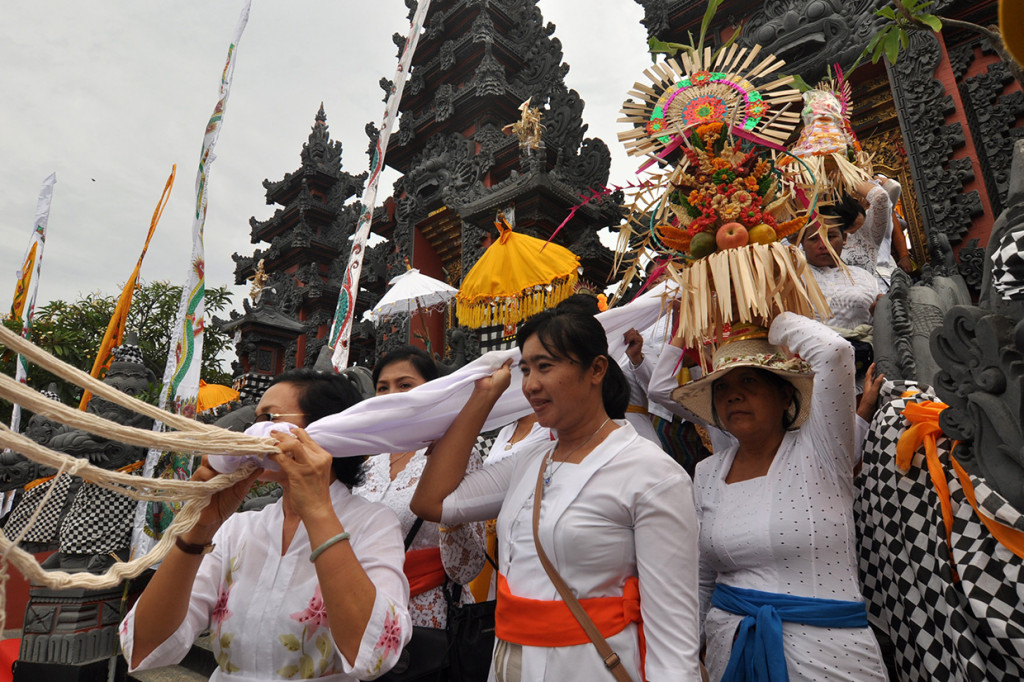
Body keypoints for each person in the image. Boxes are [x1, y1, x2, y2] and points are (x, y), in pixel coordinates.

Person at [409, 310, 701, 681]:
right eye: (526, 370)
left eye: (544, 367)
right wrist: (483, 397)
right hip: (510, 661)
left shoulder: (652, 474)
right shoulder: (529, 460)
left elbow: (673, 633)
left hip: (591, 665)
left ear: (596, 370)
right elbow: (432, 503)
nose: (530, 385)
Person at [120, 369, 412, 681]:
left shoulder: (373, 524)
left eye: (269, 418)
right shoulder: (239, 528)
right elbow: (145, 647)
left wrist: (317, 510)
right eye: (255, 421)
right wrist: (198, 530)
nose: (253, 432)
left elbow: (376, 656)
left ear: (325, 430)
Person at [670, 312, 888, 681]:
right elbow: (702, 578)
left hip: (832, 659)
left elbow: (834, 352)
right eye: (721, 387)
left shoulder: (821, 451)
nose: (732, 394)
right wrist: (688, 658)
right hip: (732, 654)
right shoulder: (707, 473)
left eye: (749, 380)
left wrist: (772, 319)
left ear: (785, 392)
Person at [354, 345, 486, 629]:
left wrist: (442, 495)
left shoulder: (459, 454)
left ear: (432, 390)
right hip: (367, 608)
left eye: (405, 385)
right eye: (382, 387)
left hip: (429, 612)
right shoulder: (368, 462)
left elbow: (467, 566)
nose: (392, 396)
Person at [801, 213, 881, 330]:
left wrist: (881, 310)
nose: (823, 245)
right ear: (802, 243)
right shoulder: (791, 277)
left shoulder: (864, 277)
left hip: (861, 345)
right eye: (813, 238)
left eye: (830, 237)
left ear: (844, 238)